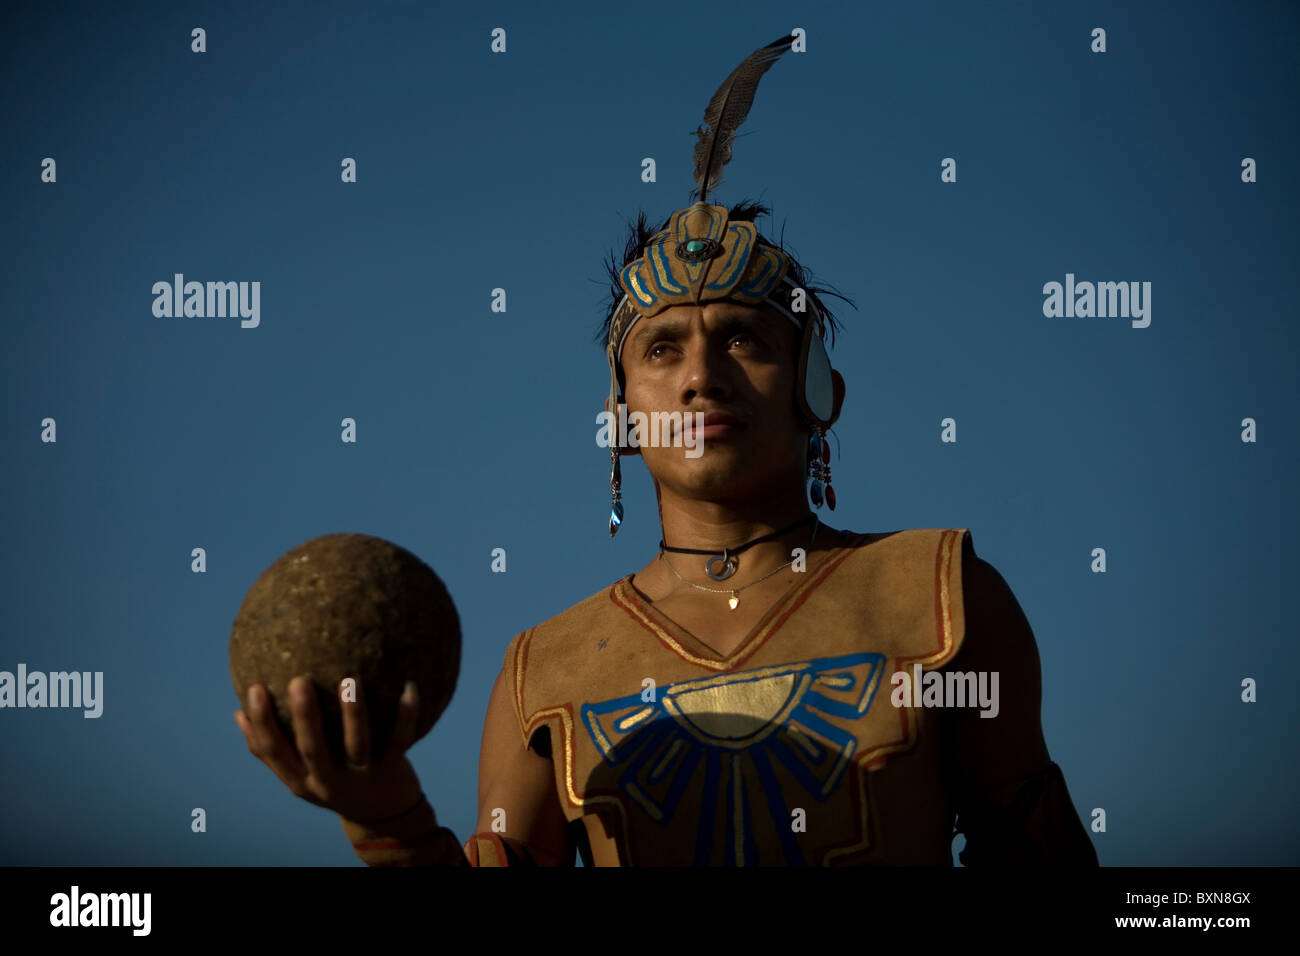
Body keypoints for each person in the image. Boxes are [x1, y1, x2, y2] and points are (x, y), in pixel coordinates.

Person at [234, 35, 1098, 867]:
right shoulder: (544, 671)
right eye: (661, 349)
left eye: (745, 342)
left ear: (817, 392)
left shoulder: (942, 597)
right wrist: (384, 815)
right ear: (620, 415)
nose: (700, 379)